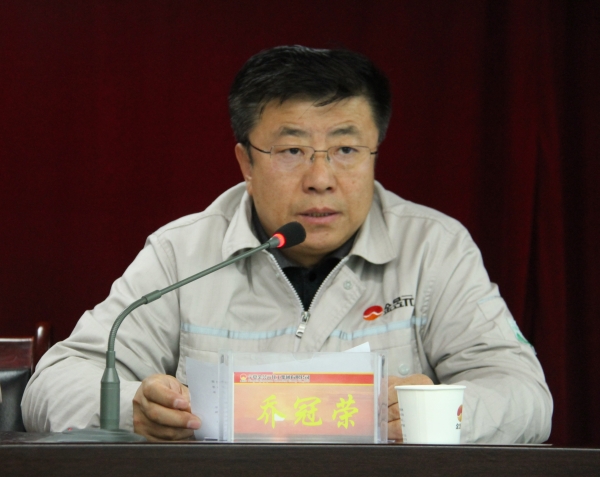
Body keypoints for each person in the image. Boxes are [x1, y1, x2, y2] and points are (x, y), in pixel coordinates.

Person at [22, 45, 552, 443]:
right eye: (292, 150)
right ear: (246, 163)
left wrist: (434, 413)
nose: (321, 179)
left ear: (375, 151)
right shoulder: (182, 253)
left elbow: (524, 396)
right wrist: (131, 412)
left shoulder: (433, 249)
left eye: (346, 149)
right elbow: (54, 385)